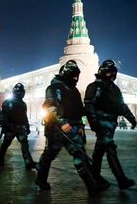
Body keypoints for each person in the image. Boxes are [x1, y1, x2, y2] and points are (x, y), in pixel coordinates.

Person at [35, 60, 108, 196]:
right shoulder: (54, 88)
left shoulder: (74, 90)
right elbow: (50, 107)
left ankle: (92, 185)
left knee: (79, 156)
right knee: (49, 155)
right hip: (57, 130)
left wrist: (81, 125)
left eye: (77, 75)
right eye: (73, 75)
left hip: (73, 128)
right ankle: (40, 179)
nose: (75, 78)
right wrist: (62, 123)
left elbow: (79, 110)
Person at [85, 60, 137, 190]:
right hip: (102, 125)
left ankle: (94, 179)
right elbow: (89, 106)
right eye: (109, 72)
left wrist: (132, 119)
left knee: (98, 153)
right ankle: (121, 180)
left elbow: (121, 106)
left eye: (114, 73)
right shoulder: (95, 86)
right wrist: (94, 123)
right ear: (103, 71)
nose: (112, 75)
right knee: (110, 149)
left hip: (111, 124)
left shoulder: (114, 88)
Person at [0, 83, 36, 169]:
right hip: (11, 128)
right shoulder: (7, 102)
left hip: (20, 127)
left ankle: (28, 162)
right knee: (6, 144)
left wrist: (27, 126)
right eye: (21, 92)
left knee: (25, 145)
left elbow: (24, 116)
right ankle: (0, 159)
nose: (22, 94)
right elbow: (4, 116)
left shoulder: (23, 103)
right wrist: (7, 126)